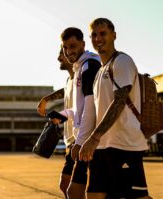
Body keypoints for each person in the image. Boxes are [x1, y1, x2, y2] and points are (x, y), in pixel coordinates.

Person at [78, 18, 153, 199]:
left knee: (136, 197)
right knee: (94, 195)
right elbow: (95, 112)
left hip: (123, 144)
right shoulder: (100, 71)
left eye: (103, 33)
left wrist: (93, 138)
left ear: (114, 35)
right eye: (94, 35)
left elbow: (119, 102)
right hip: (102, 146)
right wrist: (83, 140)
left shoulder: (122, 62)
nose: (98, 38)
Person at [61, 27, 100, 199]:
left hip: (93, 141)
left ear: (83, 44)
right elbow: (80, 109)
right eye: (65, 47)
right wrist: (61, 115)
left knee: (78, 192)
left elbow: (91, 107)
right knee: (78, 191)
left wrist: (80, 141)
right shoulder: (80, 68)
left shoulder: (89, 66)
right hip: (86, 139)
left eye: (73, 46)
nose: (69, 51)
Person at [37, 48, 75, 198]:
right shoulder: (70, 80)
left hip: (81, 139)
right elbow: (66, 90)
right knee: (66, 186)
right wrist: (46, 99)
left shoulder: (84, 75)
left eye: (62, 53)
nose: (59, 58)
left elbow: (84, 109)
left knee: (73, 188)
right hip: (70, 140)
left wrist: (61, 115)